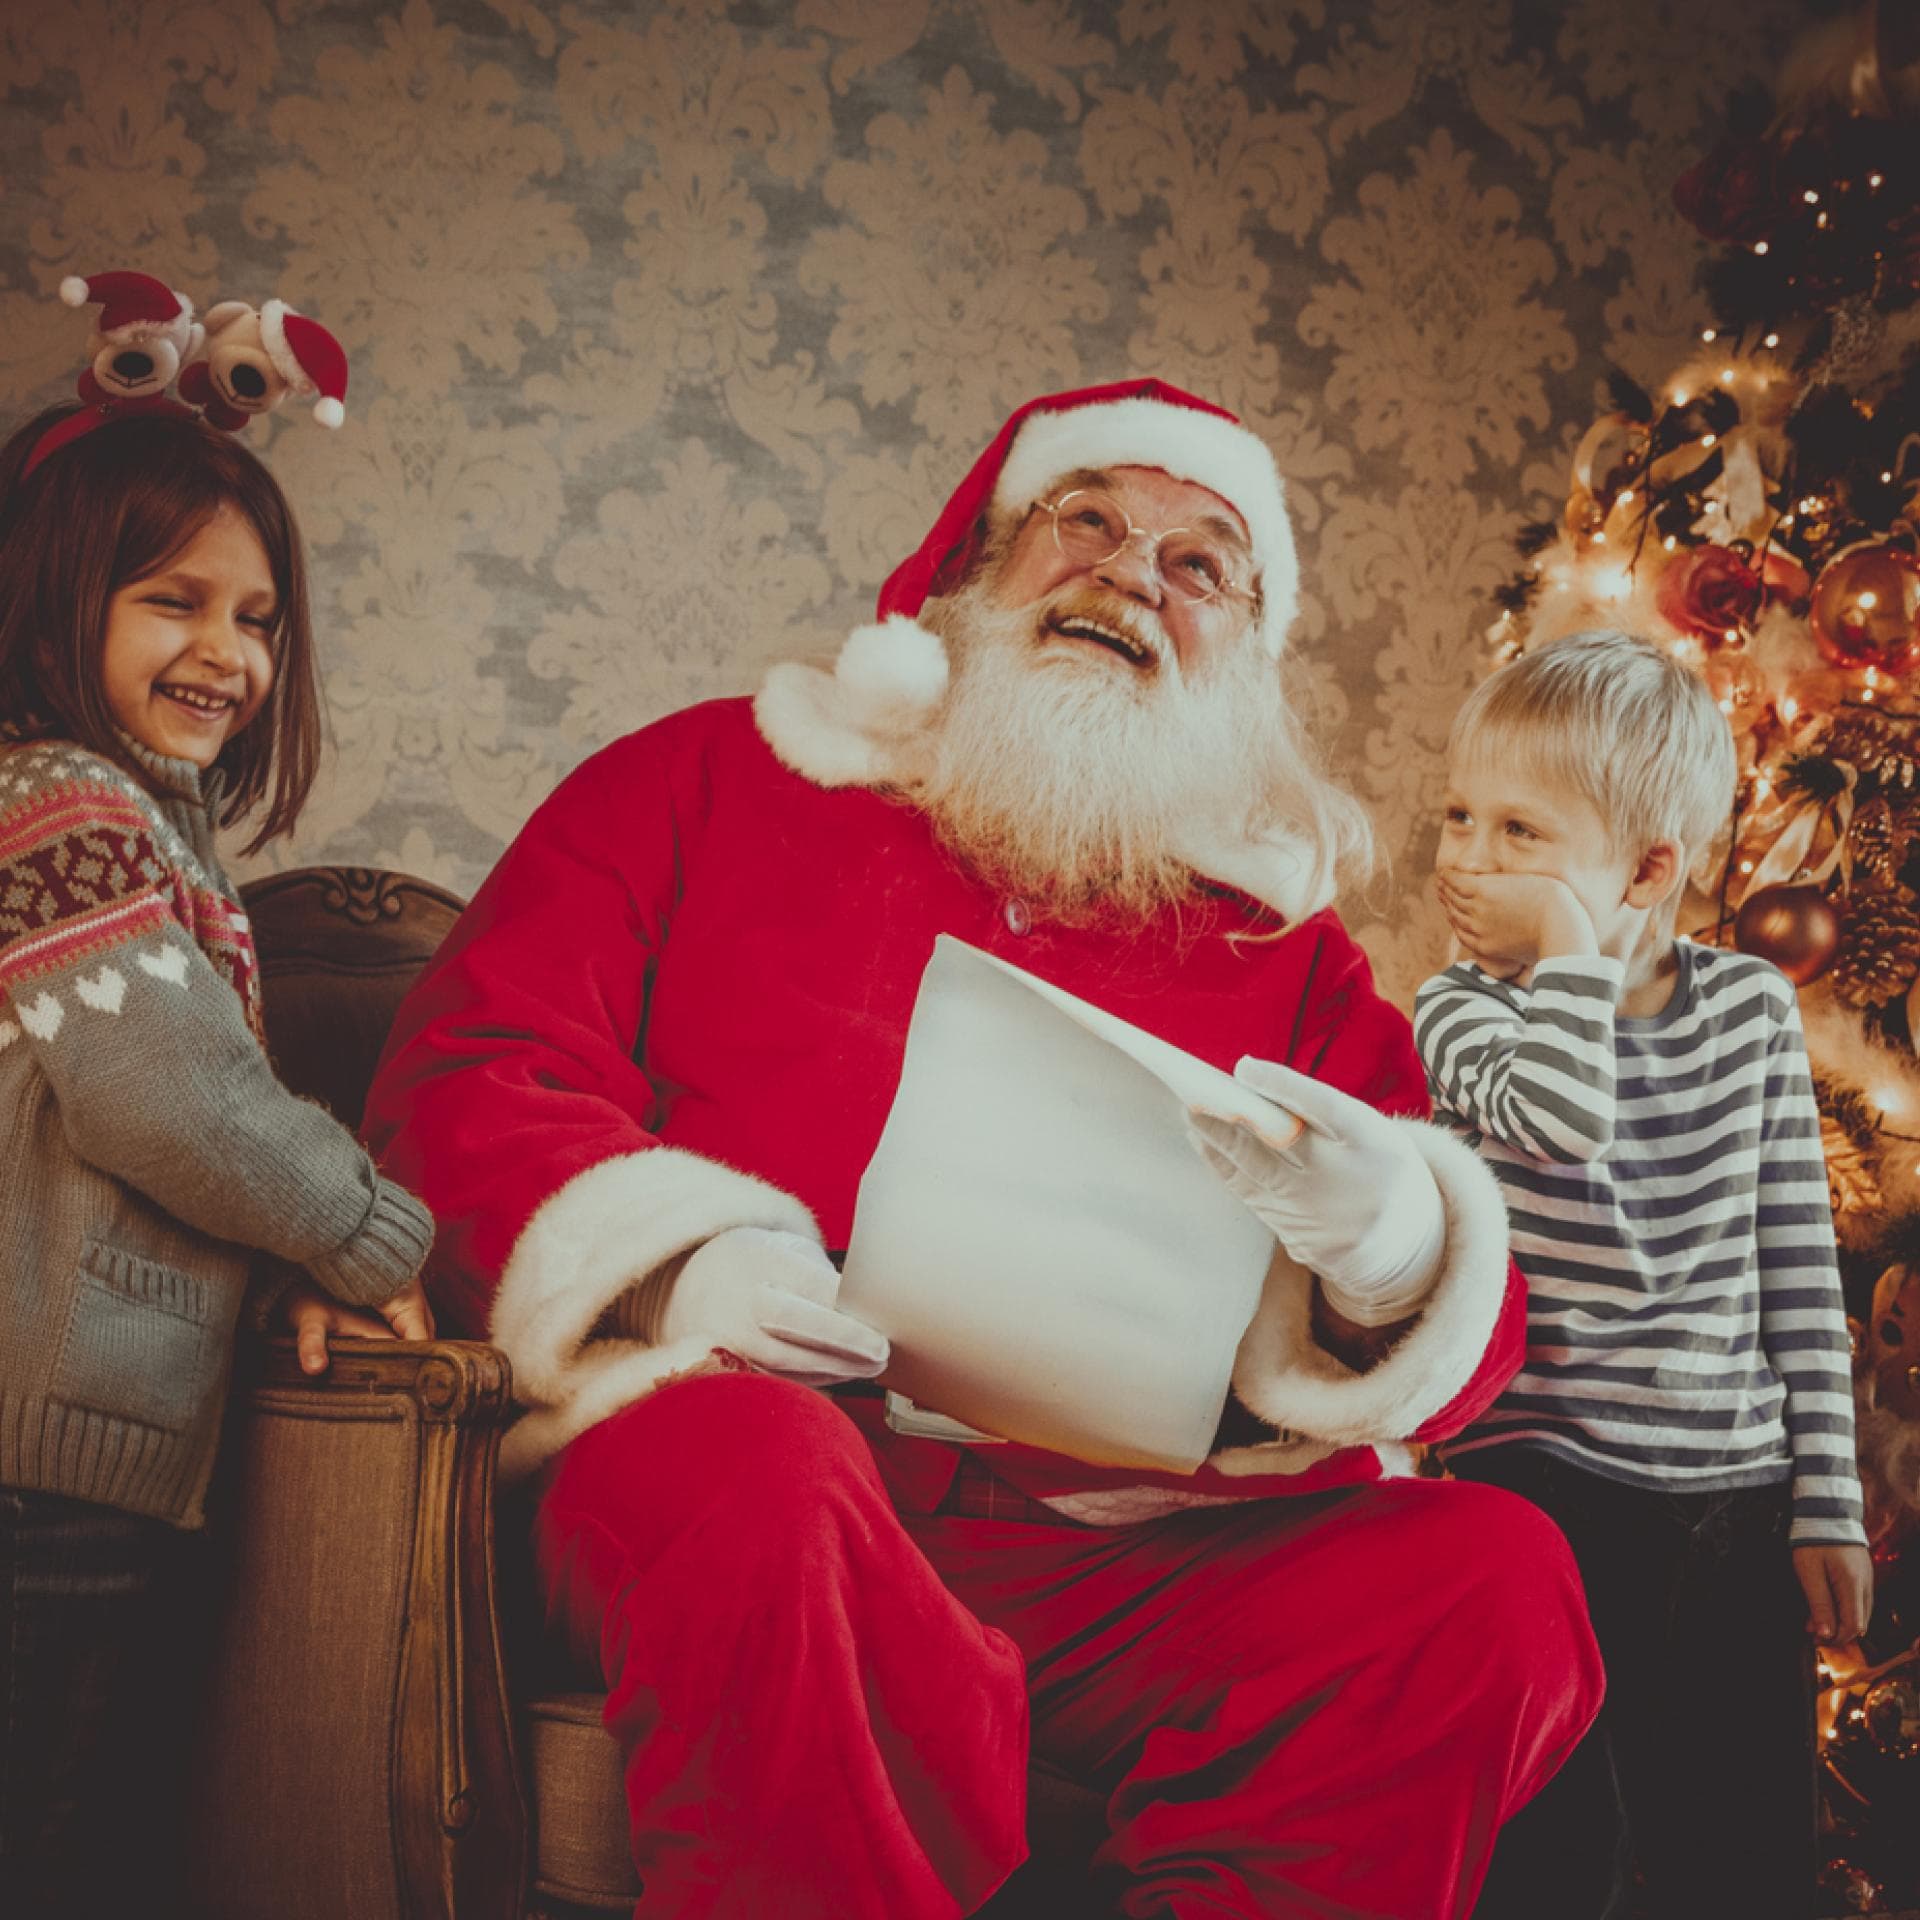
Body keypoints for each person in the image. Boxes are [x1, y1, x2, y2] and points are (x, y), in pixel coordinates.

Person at [365, 377, 1604, 1920]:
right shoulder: (707, 776)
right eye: (1084, 521)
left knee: (1490, 1579)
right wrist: (680, 1265)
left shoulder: (1287, 953)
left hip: (1106, 1547)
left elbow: (1465, 1352)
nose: (1130, 572)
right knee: (769, 1466)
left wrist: (1390, 1246)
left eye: (1200, 561)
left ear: (1245, 659)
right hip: (735, 1472)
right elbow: (469, 1069)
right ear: (974, 570)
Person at [0, 401, 437, 1915]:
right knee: (47, 1842)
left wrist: (264, 1276)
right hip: (33, 1465)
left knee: (89, 1825)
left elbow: (100, 1154)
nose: (228, 653)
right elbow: (168, 1105)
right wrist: (366, 1238)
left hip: (94, 1449)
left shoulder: (150, 835)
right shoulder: (59, 800)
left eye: (257, 617)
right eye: (172, 599)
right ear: (55, 595)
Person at [1417, 630, 1872, 1920]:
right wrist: (1567, 949)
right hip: (1548, 1487)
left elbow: (1795, 1258)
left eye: (1519, 832)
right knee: (1567, 1857)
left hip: (1734, 1485)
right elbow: (1566, 1119)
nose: (1464, 857)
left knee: (1745, 1849)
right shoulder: (1463, 1010)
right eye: (1459, 815)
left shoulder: (1749, 1013)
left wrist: (1826, 1499)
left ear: (1651, 869)